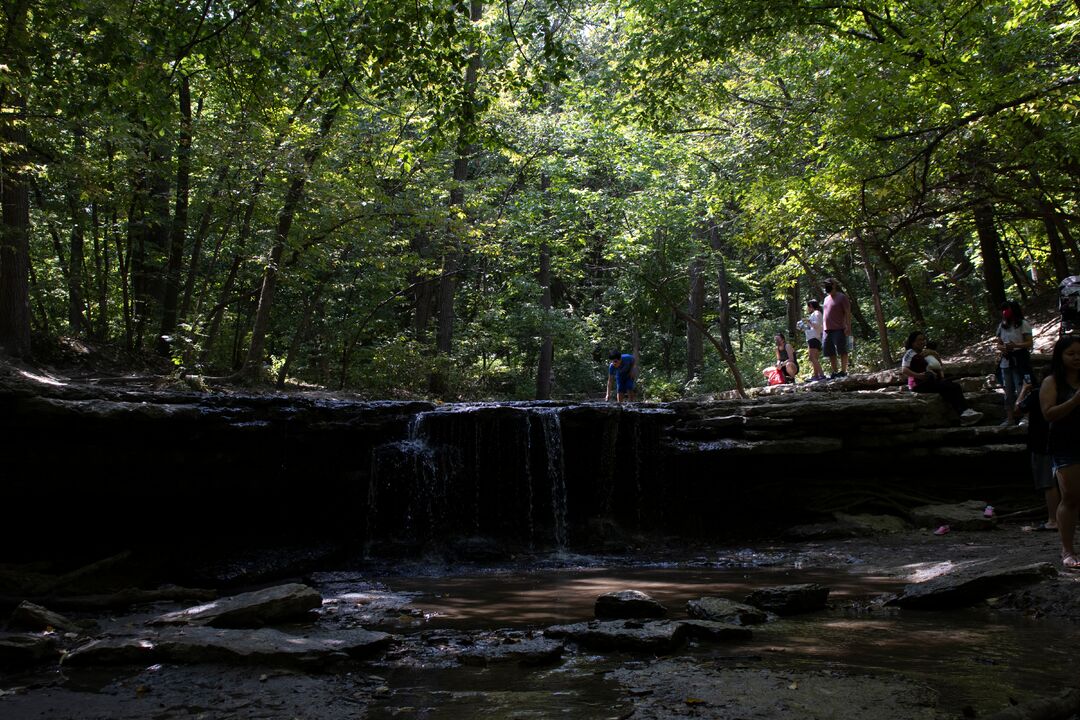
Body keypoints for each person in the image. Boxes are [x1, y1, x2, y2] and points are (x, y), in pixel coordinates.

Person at [1038, 335, 1080, 570]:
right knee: (1071, 497)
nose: (1077, 358)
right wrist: (1075, 401)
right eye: (1071, 354)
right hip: (1065, 445)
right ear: (1060, 356)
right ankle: (1068, 550)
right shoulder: (1051, 382)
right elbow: (1049, 414)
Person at [900, 330, 983, 426]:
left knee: (950, 387)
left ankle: (964, 415)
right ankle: (965, 412)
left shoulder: (924, 353)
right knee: (954, 387)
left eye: (923, 339)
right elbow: (904, 370)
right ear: (913, 342)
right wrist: (919, 376)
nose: (922, 342)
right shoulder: (909, 353)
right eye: (919, 340)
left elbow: (930, 367)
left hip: (928, 381)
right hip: (917, 384)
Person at [1017, 372, 1060, 532]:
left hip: (1042, 442)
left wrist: (1023, 389)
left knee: (1048, 483)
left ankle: (1053, 520)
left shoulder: (1037, 393)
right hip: (1061, 440)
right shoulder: (1066, 393)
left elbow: (1018, 408)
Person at [992, 300, 1033, 426]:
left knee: (1022, 388)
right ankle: (1009, 418)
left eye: (1007, 309)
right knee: (1008, 391)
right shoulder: (1002, 325)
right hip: (1006, 361)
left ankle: (1026, 417)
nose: (1005, 312)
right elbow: (998, 344)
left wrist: (1016, 345)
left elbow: (1029, 343)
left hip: (1020, 360)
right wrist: (1003, 348)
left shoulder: (1023, 324)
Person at [822, 278, 852, 378]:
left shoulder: (842, 297)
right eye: (825, 285)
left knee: (842, 350)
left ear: (834, 285)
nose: (827, 287)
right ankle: (835, 372)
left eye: (829, 285)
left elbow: (847, 312)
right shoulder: (826, 298)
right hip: (827, 330)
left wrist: (848, 326)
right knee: (830, 352)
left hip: (839, 328)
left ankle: (843, 371)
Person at [798, 299, 826, 381]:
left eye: (808, 306)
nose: (807, 308)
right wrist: (803, 326)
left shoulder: (816, 313)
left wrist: (808, 321)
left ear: (810, 306)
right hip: (814, 337)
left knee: (812, 357)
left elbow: (818, 326)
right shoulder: (815, 314)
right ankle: (816, 376)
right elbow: (812, 327)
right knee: (815, 358)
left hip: (814, 338)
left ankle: (821, 375)